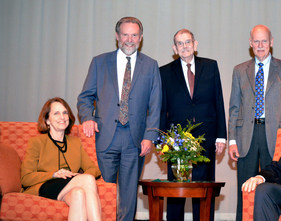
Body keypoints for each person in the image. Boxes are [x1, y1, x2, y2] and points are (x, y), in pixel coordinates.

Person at [77, 17, 161, 221]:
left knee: (128, 195)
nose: (129, 39)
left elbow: (156, 104)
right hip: (105, 138)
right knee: (103, 193)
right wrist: (87, 117)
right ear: (117, 36)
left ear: (140, 38)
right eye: (125, 34)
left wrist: (150, 135)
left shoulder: (150, 65)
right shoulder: (99, 62)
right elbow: (85, 97)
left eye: (134, 35)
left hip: (135, 140)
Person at [228, 24, 281, 220]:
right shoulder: (239, 70)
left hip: (277, 137)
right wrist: (232, 140)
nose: (260, 45)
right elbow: (234, 108)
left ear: (271, 42)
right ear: (250, 43)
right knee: (245, 187)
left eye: (264, 41)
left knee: (274, 187)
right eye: (256, 41)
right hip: (246, 137)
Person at [159, 29, 227, 221]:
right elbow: (162, 108)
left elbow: (218, 101)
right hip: (176, 141)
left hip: (207, 137)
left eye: (188, 42)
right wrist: (164, 141)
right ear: (174, 48)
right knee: (175, 192)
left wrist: (221, 135)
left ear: (195, 45)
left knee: (203, 189)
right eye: (180, 43)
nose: (184, 46)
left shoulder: (211, 66)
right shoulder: (164, 72)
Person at [21, 97, 102, 221]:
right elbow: (26, 178)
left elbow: (94, 169)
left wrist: (77, 177)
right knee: (88, 179)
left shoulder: (75, 143)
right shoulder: (37, 142)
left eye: (65, 113)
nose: (62, 117)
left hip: (67, 185)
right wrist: (53, 174)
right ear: (47, 120)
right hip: (44, 185)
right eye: (56, 113)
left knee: (78, 194)